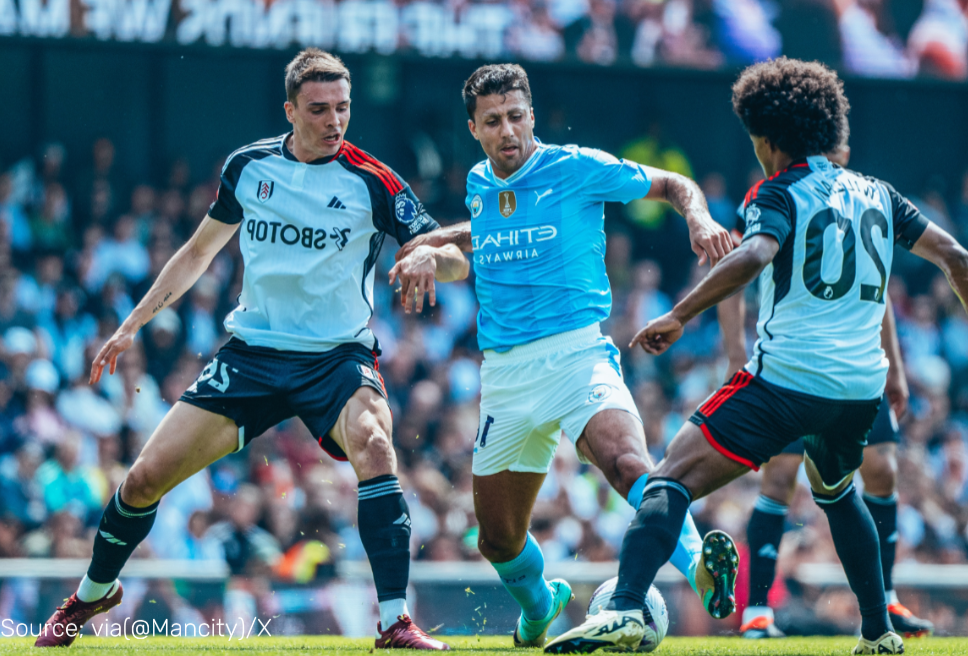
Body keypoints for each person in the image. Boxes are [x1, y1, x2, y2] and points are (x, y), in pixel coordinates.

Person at [34, 48, 466, 650]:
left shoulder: (375, 180)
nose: (333, 121)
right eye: (318, 110)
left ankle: (395, 621)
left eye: (342, 107)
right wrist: (131, 324)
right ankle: (89, 595)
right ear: (289, 109)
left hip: (336, 359)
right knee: (142, 480)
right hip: (253, 355)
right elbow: (196, 254)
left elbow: (450, 256)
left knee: (376, 445)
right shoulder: (249, 167)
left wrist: (427, 254)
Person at [545, 57, 968, 655]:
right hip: (857, 397)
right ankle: (878, 632)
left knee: (668, 480)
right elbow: (956, 257)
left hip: (787, 382)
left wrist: (678, 314)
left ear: (767, 138)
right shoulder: (880, 193)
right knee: (838, 491)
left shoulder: (776, 191)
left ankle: (625, 608)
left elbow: (752, 255)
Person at [394, 63, 736, 649]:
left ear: (532, 116)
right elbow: (480, 228)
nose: (508, 132)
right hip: (505, 376)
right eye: (493, 121)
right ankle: (540, 605)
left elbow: (674, 184)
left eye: (517, 117)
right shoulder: (481, 183)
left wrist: (698, 217)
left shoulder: (576, 167)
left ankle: (702, 567)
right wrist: (427, 247)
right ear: (474, 128)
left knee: (628, 462)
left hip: (579, 355)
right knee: (498, 540)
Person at [721, 143, 934, 640]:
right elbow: (733, 269)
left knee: (883, 469)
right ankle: (757, 611)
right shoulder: (773, 194)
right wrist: (735, 357)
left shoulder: (866, 196)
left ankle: (887, 601)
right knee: (780, 476)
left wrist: (895, 369)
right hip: (796, 365)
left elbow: (874, 291)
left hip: (858, 368)